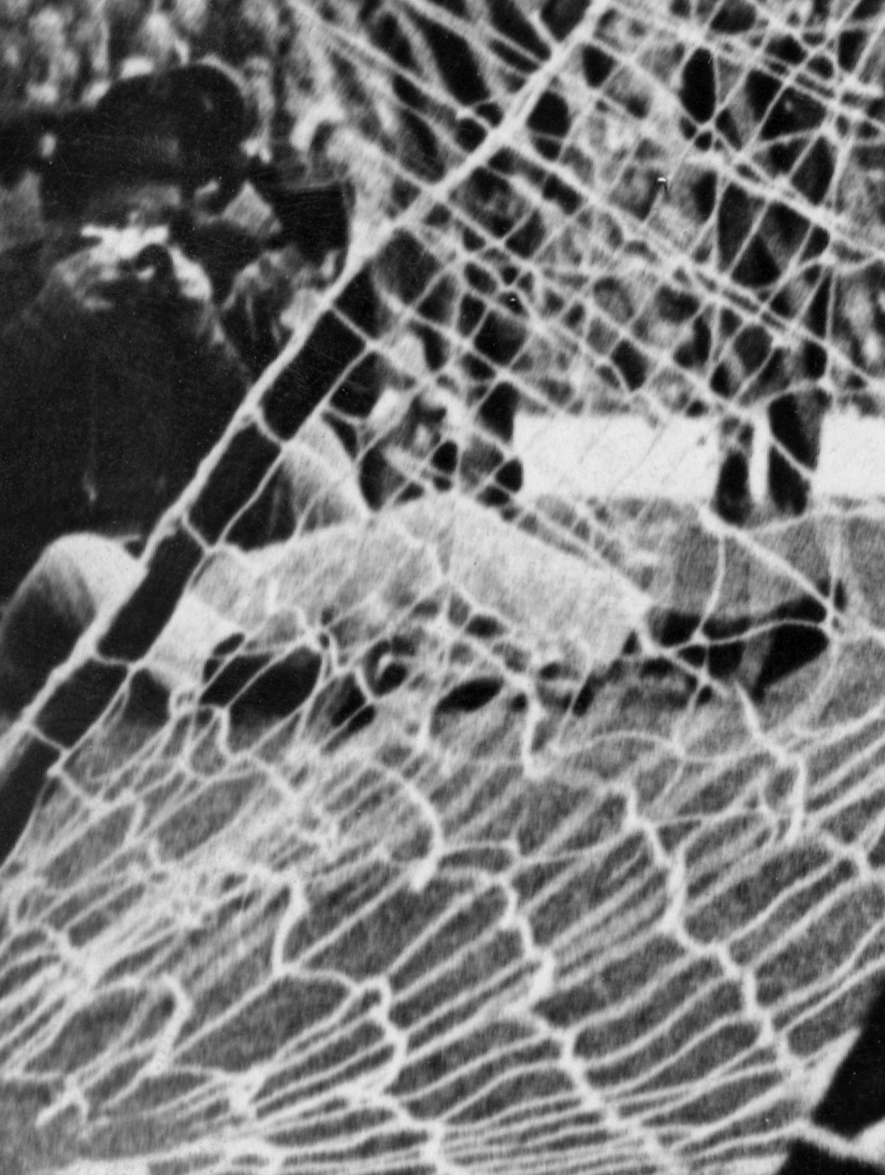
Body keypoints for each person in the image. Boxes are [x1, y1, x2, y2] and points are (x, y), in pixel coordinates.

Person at [0, 67, 826, 733]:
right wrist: (47, 326)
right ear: (76, 206)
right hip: (35, 616)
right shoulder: (21, 285)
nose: (137, 245)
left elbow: (240, 455)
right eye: (122, 222)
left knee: (421, 519)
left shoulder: (174, 302)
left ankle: (655, 639)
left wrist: (199, 332)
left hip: (184, 591)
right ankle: (268, 678)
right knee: (80, 563)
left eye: (158, 222)